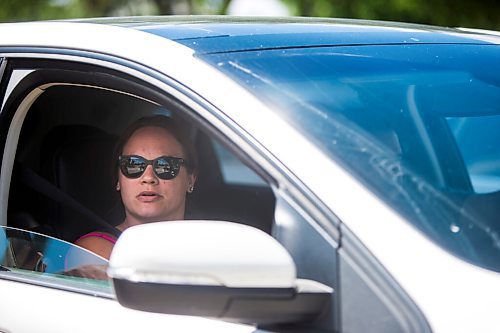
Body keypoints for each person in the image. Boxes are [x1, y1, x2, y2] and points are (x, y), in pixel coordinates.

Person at [75, 115, 197, 260]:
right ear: (119, 179)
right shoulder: (94, 253)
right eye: (133, 165)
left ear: (190, 179)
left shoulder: (213, 246)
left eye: (165, 165)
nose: (148, 178)